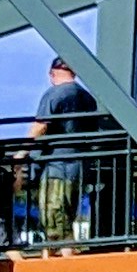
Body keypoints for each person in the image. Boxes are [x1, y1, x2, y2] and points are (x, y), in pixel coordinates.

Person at [35, 54, 100, 244]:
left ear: (52, 73)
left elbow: (40, 126)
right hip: (79, 168)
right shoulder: (87, 97)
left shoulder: (54, 94)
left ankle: (65, 258)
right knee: (66, 217)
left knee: (55, 222)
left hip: (56, 167)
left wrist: (22, 153)